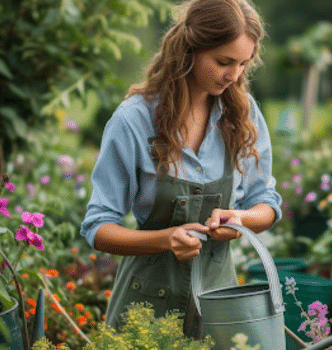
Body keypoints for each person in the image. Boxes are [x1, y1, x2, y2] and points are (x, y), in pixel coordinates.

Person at [79, 0, 282, 338]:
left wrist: (241, 219)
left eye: (243, 64)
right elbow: (98, 227)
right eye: (223, 62)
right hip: (143, 313)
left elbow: (267, 204)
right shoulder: (134, 121)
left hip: (221, 314)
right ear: (189, 50)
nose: (234, 76)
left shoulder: (243, 119)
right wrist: (164, 239)